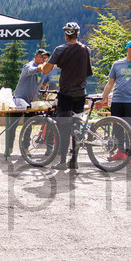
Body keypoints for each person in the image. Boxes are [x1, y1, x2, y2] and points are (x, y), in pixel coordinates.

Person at [40, 21, 92, 170]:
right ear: (78, 34)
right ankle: (74, 160)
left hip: (66, 93)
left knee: (63, 127)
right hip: (81, 93)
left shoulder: (60, 49)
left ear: (66, 35)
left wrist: (44, 65)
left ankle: (62, 161)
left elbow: (46, 70)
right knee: (76, 126)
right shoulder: (85, 50)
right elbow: (86, 70)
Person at [5, 48, 50, 156]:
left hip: (32, 102)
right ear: (35, 57)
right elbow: (32, 71)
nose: (44, 59)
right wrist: (44, 66)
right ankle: (9, 148)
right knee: (12, 126)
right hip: (19, 101)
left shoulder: (43, 70)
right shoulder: (28, 66)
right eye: (42, 57)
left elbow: (43, 83)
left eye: (46, 57)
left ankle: (25, 148)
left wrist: (45, 92)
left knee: (28, 125)